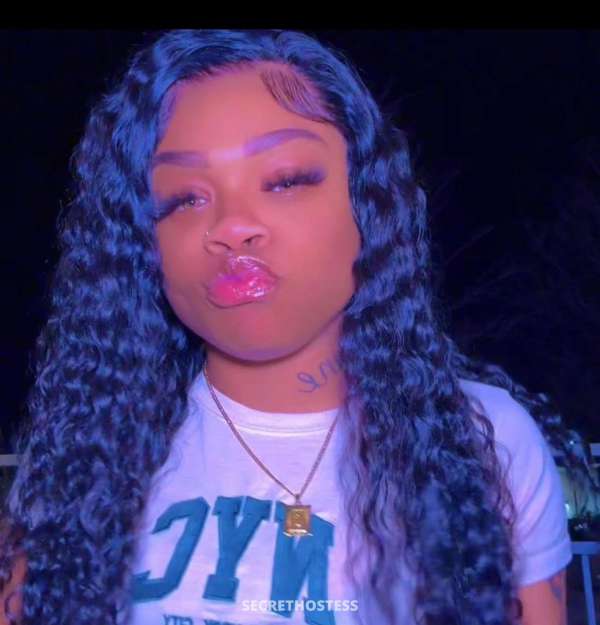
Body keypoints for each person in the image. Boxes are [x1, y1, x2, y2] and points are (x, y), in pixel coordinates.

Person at [1, 29, 598, 625]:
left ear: (369, 205)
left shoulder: (485, 444)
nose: (232, 226)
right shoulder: (90, 453)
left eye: (285, 179)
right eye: (183, 199)